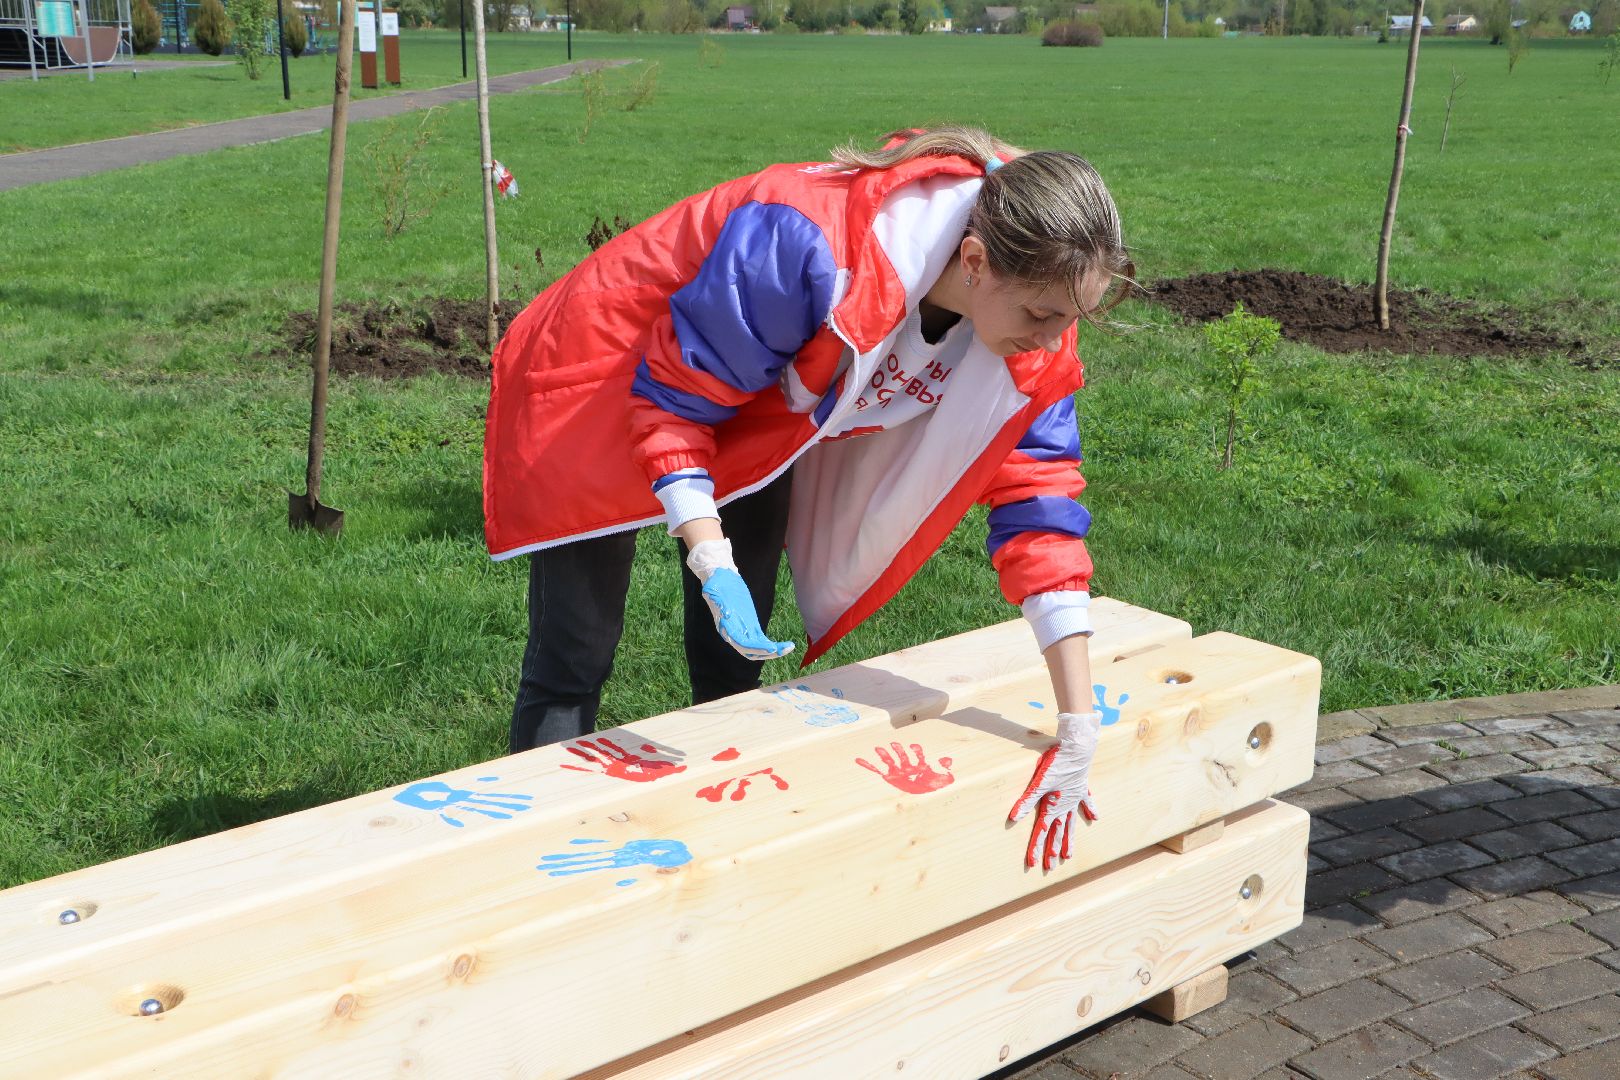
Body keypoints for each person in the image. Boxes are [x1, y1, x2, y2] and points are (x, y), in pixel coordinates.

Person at [483, 126, 1134, 869]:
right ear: (977, 262)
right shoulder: (809, 246)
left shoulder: (1040, 304)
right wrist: (706, 551)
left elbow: (1041, 511)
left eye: (1069, 319)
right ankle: (536, 860)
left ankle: (717, 842)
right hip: (599, 378)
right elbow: (675, 401)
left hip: (755, 403)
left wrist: (1078, 724)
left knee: (736, 649)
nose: (1053, 342)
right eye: (1042, 319)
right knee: (578, 647)